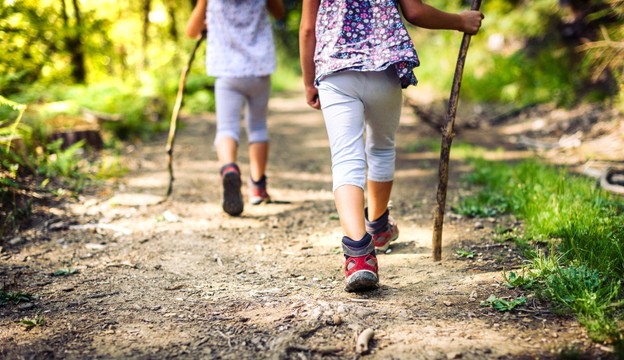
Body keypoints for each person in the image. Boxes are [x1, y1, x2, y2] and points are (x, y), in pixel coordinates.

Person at [299, 0, 483, 292]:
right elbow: (415, 11)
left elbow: (309, 29)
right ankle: (379, 227)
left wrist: (309, 81)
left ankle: (359, 256)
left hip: (335, 71)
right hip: (382, 68)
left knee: (346, 159)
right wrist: (460, 21)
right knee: (382, 148)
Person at [186, 0, 285, 216]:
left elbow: (191, 31)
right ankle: (258, 187)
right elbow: (279, 13)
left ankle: (229, 167)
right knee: (258, 126)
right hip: (259, 69)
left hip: (227, 71)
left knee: (226, 128)